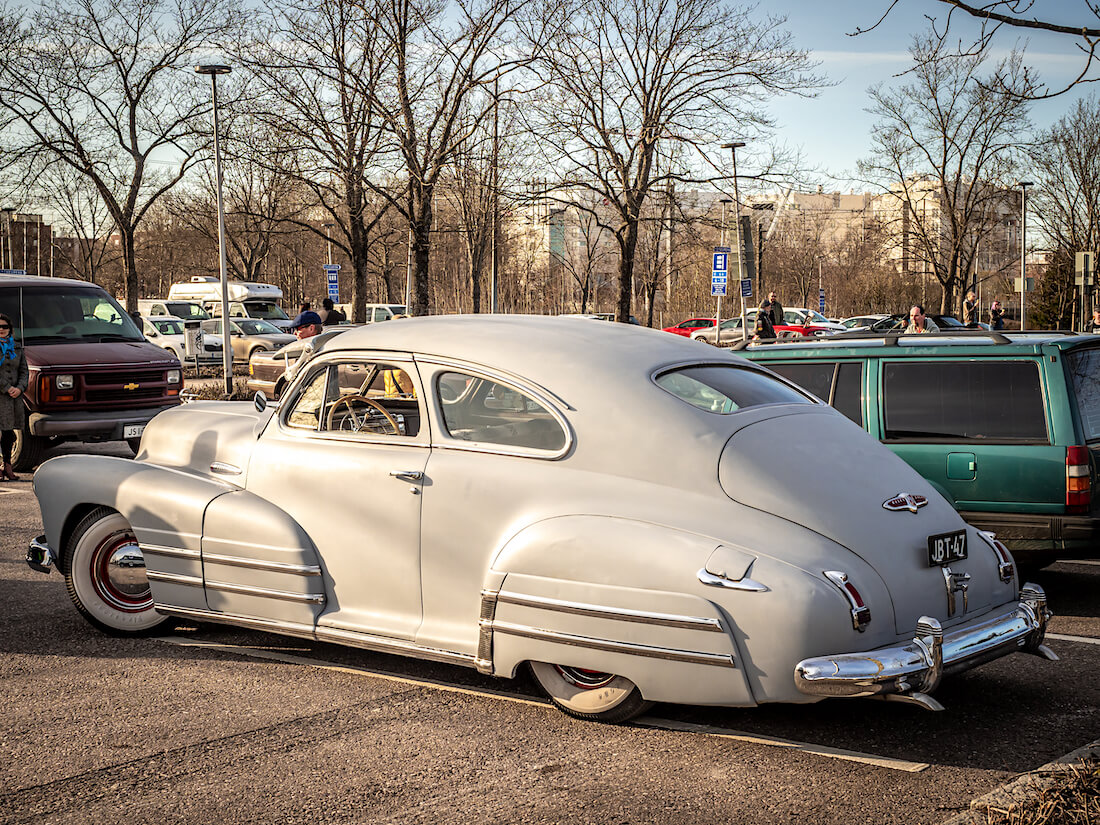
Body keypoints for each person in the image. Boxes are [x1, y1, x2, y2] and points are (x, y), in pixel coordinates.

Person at [0, 313, 29, 481]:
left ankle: (7, 466)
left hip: (14, 398)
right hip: (1, 395)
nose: (2, 330)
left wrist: (19, 388)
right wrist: (7, 387)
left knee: (9, 432)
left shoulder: (17, 347)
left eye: (5, 327)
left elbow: (24, 371)